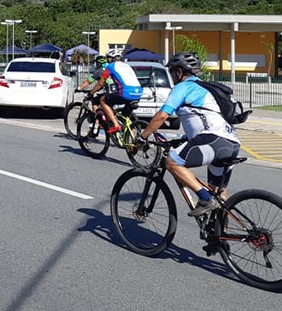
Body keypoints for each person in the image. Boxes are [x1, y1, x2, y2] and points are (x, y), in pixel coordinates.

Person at [139, 52, 242, 218]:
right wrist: (185, 139)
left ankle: (205, 199)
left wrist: (142, 137)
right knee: (220, 196)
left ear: (179, 72)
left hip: (213, 140)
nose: (172, 76)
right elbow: (204, 120)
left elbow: (162, 116)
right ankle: (219, 239)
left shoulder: (183, 87)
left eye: (172, 72)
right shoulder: (207, 88)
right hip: (232, 143)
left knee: (172, 162)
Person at [77, 48, 142, 134]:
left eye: (108, 58)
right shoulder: (127, 66)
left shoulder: (110, 67)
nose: (107, 60)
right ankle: (131, 133)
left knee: (102, 101)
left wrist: (91, 93)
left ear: (110, 59)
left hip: (125, 93)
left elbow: (100, 84)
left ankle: (115, 125)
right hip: (138, 93)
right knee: (124, 116)